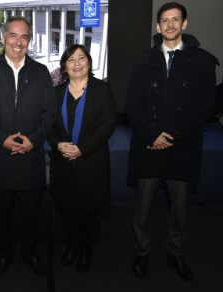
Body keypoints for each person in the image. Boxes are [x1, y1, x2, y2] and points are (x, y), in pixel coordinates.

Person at [125, 2, 218, 282]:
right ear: (158, 26)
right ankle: (142, 252)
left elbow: (205, 107)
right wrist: (152, 135)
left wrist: (172, 135)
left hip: (183, 147)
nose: (170, 25)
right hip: (148, 145)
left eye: (176, 20)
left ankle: (175, 253)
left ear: (184, 24)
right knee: (142, 209)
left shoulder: (203, 61)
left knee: (180, 212)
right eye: (165, 20)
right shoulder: (142, 60)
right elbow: (132, 103)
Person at [0, 16, 57, 277]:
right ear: (3, 37)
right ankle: (5, 254)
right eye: (14, 36)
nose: (19, 42)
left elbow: (50, 112)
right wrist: (1, 139)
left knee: (32, 214)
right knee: (2, 214)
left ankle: (31, 254)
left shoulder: (41, 72)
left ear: (29, 41)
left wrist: (34, 140)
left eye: (24, 37)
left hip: (30, 158)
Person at [48, 44, 117, 271]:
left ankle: (86, 249)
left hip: (91, 159)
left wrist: (82, 148)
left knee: (87, 208)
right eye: (71, 60)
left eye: (81, 58)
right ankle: (72, 246)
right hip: (63, 160)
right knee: (67, 207)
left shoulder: (102, 90)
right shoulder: (55, 93)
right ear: (64, 67)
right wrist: (58, 144)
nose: (76, 63)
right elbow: (47, 126)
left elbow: (107, 126)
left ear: (89, 62)